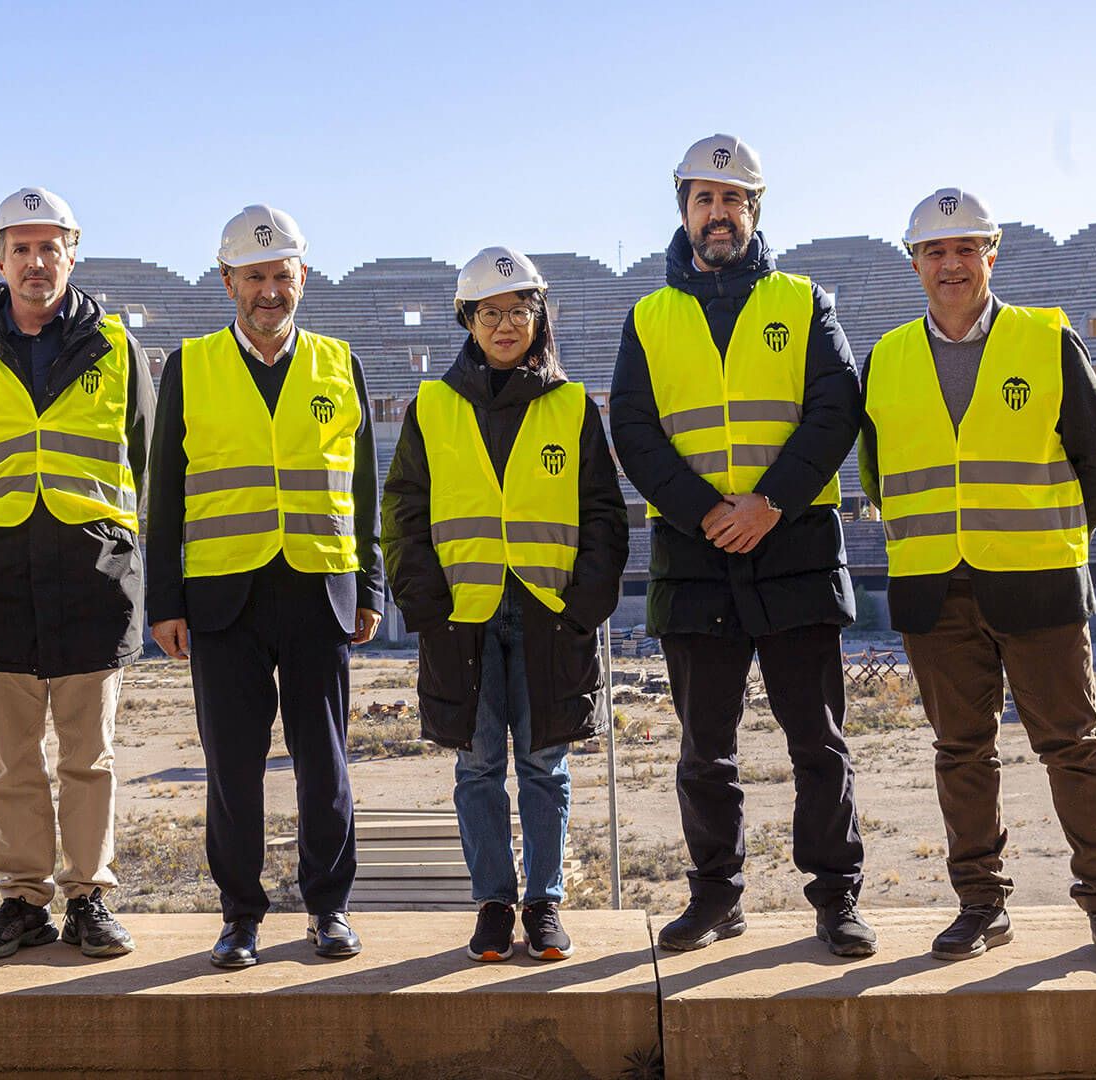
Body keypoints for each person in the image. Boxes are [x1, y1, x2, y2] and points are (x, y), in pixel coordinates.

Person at [860, 188, 1096, 968]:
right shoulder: (886, 358)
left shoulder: (1046, 339)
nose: (951, 264)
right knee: (961, 753)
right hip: (934, 587)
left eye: (966, 248)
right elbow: (877, 475)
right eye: (935, 251)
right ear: (914, 263)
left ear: (992, 254)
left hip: (1038, 584)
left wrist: (1050, 541)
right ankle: (981, 906)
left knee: (1073, 747)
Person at [609, 134, 874, 957]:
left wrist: (768, 503)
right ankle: (716, 895)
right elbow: (634, 431)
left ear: (755, 209)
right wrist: (705, 512)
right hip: (695, 560)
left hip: (794, 549)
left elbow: (836, 409)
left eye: (732, 199)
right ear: (684, 210)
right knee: (704, 751)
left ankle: (836, 898)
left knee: (818, 744)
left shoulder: (804, 302)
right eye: (704, 199)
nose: (717, 213)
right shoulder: (648, 318)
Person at [146, 205, 383, 969]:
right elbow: (164, 491)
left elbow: (364, 487)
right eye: (254, 277)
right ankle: (240, 915)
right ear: (228, 282)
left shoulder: (339, 364)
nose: (269, 290)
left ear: (302, 277)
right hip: (224, 597)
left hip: (319, 589)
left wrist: (370, 584)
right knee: (232, 769)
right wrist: (164, 600)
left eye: (281, 275)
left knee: (326, 764)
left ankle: (328, 907)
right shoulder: (191, 366)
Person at [382, 247, 628, 962]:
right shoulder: (433, 406)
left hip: (550, 614)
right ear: (468, 320)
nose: (505, 324)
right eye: (489, 312)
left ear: (539, 315)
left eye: (519, 309)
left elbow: (604, 513)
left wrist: (585, 605)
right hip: (464, 617)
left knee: (546, 766)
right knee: (478, 767)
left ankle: (543, 904)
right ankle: (493, 904)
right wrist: (425, 606)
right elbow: (403, 511)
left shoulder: (572, 406)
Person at [0, 188, 153, 961]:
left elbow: (147, 465)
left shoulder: (118, 347)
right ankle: (23, 901)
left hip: (94, 578)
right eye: (20, 248)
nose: (35, 261)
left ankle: (90, 896)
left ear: (71, 254)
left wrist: (143, 574)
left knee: (90, 756)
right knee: (12, 761)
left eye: (49, 247)